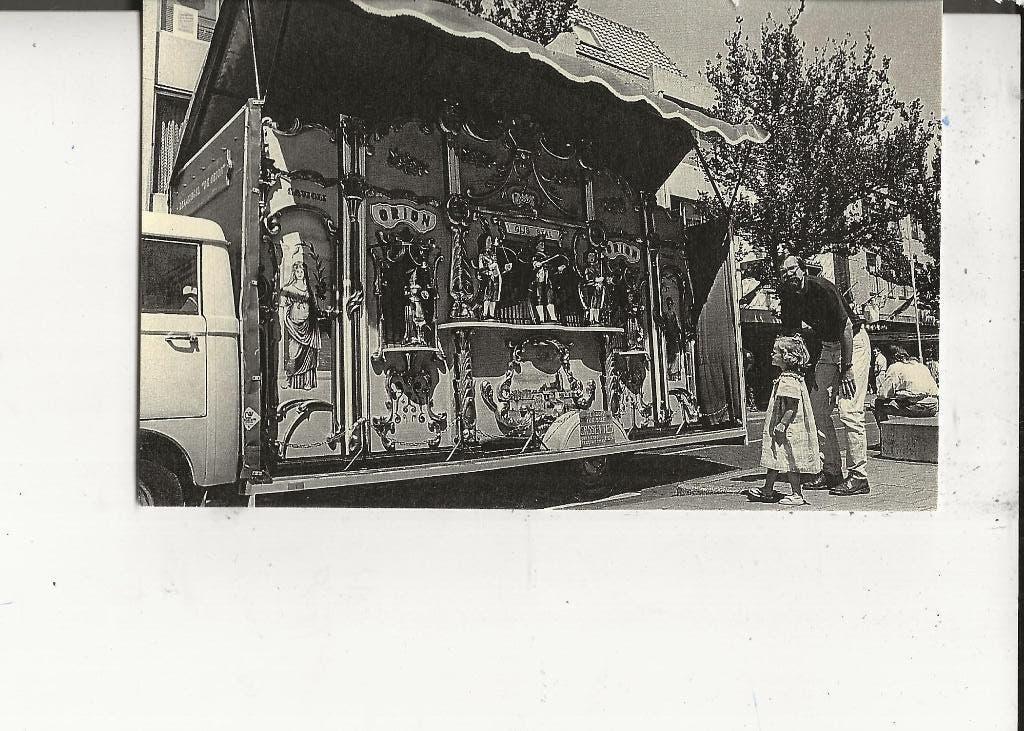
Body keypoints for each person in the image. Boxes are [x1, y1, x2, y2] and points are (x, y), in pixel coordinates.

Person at [778, 256, 871, 496]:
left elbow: (847, 327)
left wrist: (847, 368)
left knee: (850, 411)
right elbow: (792, 335)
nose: (788, 274)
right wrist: (793, 370)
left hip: (853, 344)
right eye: (783, 271)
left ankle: (859, 476)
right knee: (817, 409)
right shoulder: (788, 295)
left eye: (792, 269)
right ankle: (831, 471)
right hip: (828, 348)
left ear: (802, 269)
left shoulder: (822, 287)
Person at [747, 335, 820, 506]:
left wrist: (782, 424)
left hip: (788, 428)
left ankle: (797, 494)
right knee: (776, 455)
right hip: (783, 426)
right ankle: (768, 489)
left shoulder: (788, 379)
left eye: (775, 352)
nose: (771, 355)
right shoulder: (788, 376)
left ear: (786, 356)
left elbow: (791, 406)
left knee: (790, 459)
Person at [280, 259, 322, 390]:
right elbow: (284, 303)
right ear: (294, 273)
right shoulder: (289, 288)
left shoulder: (309, 288)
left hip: (308, 326)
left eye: (302, 271)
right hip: (294, 326)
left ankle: (307, 382)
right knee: (293, 353)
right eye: (297, 271)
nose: (299, 274)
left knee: (309, 354)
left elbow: (314, 306)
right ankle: (288, 378)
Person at [874, 345, 939, 421]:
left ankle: (885, 431)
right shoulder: (922, 366)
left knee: (876, 403)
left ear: (895, 358)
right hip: (933, 406)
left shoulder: (895, 367)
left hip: (916, 407)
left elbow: (883, 394)